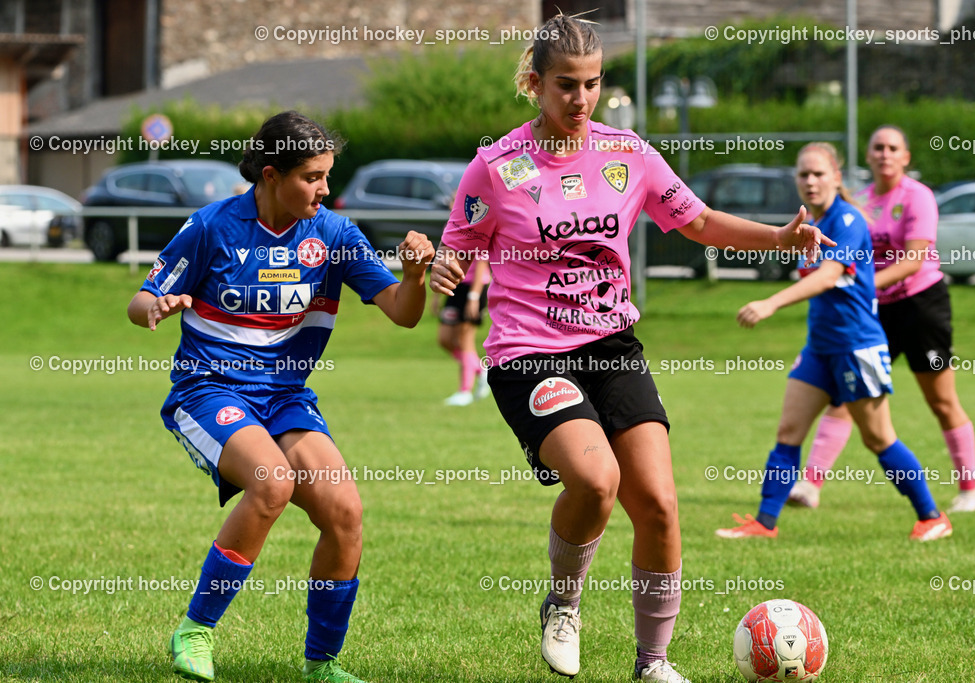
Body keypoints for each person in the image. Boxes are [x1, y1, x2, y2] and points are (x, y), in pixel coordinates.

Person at [429, 14, 830, 683]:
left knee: (660, 505)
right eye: (566, 84)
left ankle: (653, 662)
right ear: (535, 83)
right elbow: (457, 247)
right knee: (596, 480)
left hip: (612, 345)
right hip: (530, 353)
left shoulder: (628, 154)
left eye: (591, 84)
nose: (581, 98)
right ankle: (564, 604)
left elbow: (698, 221)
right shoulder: (495, 167)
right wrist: (443, 266)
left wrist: (778, 238)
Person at [127, 111, 434, 683]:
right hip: (207, 389)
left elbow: (403, 313)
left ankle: (322, 665)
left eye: (327, 176)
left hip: (286, 395)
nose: (325, 189)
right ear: (271, 175)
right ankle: (195, 631)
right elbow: (140, 300)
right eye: (312, 177)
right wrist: (159, 307)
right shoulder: (212, 226)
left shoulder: (335, 235)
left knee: (345, 512)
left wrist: (414, 276)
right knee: (271, 483)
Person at [715, 142, 953, 543]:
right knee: (789, 430)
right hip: (820, 347)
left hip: (857, 346)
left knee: (878, 438)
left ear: (836, 178)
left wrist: (770, 303)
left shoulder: (847, 219)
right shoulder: (813, 223)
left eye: (819, 174)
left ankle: (932, 517)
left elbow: (828, 276)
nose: (810, 181)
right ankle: (765, 523)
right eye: (803, 174)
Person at [788, 126, 975, 513]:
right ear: (868, 155)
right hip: (873, 311)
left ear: (905, 157)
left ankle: (970, 491)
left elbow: (912, 261)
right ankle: (809, 485)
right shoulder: (860, 201)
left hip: (921, 308)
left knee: (941, 400)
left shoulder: (918, 196)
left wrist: (858, 285)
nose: (884, 154)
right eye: (877, 147)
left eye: (893, 148)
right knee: (845, 395)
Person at [435, 259, 491, 405]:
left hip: (474, 288)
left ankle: (465, 391)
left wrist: (474, 297)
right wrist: (436, 295)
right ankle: (481, 370)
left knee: (464, 341)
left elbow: (482, 262)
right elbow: (443, 260)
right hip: (454, 286)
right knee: (444, 339)